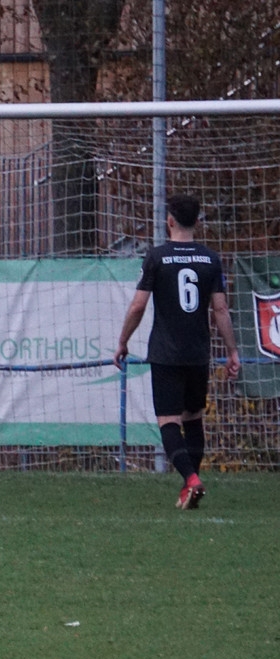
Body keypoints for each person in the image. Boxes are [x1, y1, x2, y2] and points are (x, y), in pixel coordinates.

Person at [114, 194, 240, 510]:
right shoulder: (210, 259)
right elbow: (220, 309)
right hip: (198, 353)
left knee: (168, 420)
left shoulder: (157, 257)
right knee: (193, 418)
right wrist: (232, 351)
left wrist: (123, 341)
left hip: (165, 354)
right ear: (197, 222)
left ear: (169, 221)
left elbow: (138, 306)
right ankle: (189, 489)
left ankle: (191, 480)